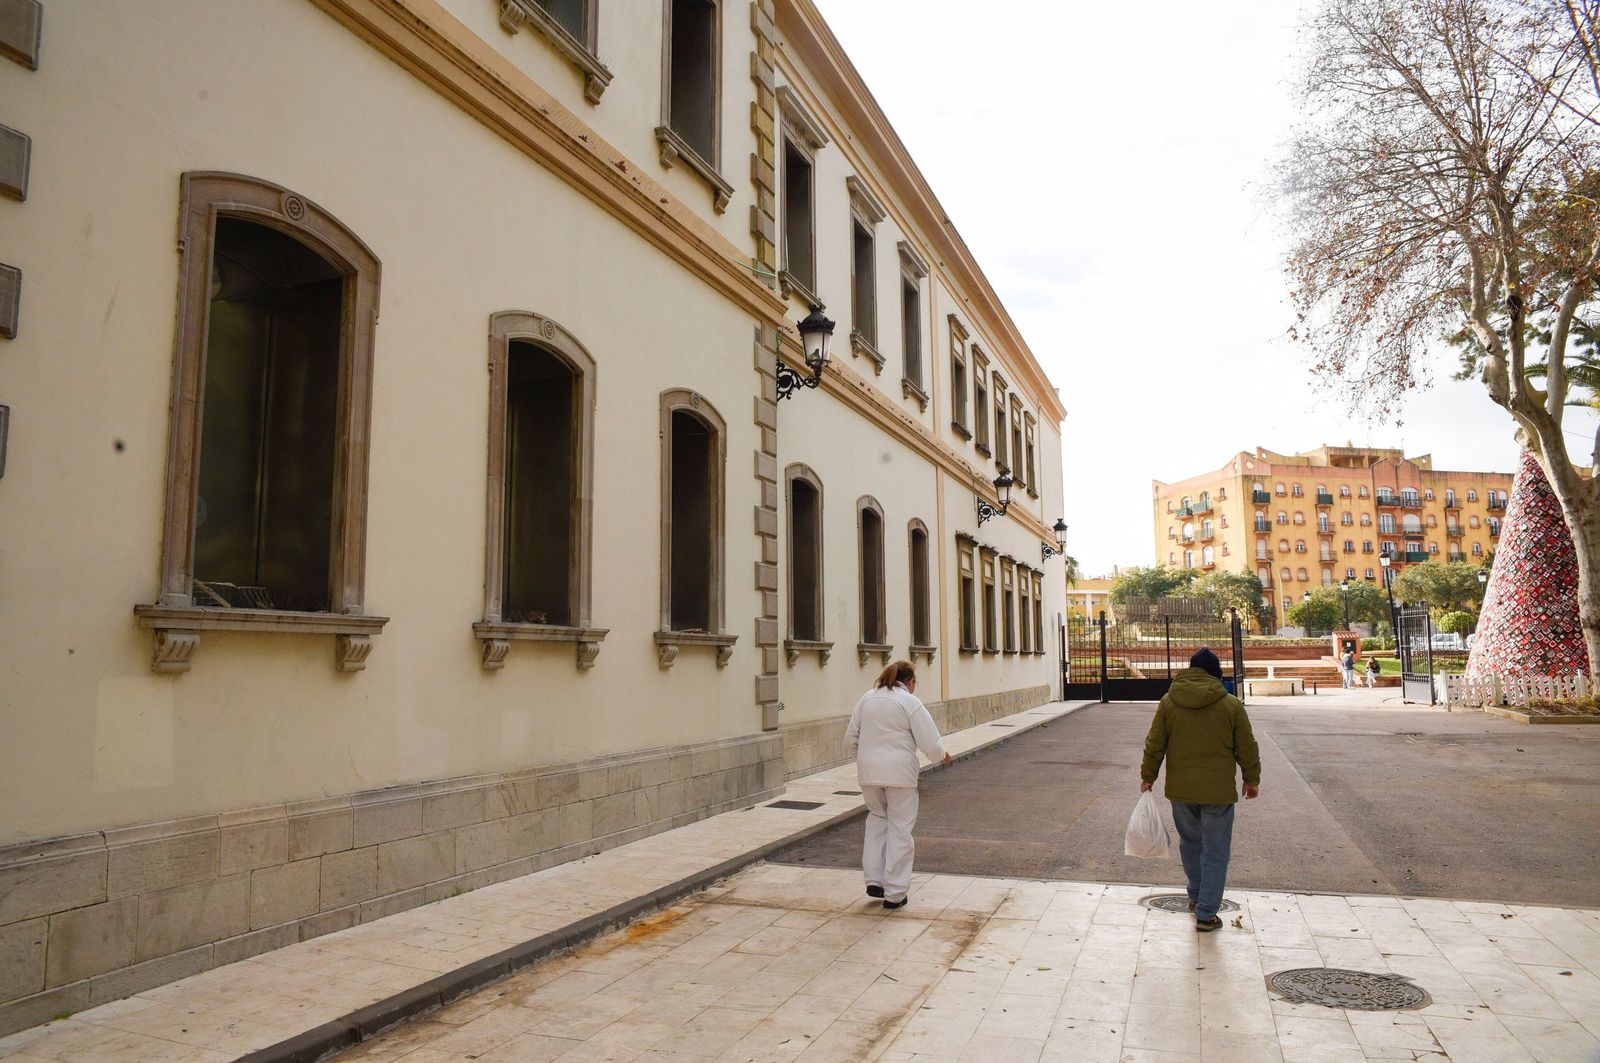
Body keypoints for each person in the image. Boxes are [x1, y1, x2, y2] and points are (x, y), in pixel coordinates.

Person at [1140, 647, 1261, 932]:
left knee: (1191, 845)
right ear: (1215, 673)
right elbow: (1247, 746)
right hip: (1217, 793)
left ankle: (1196, 898)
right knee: (1215, 850)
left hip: (1181, 791)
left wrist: (1148, 776)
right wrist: (1251, 778)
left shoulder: (1169, 701)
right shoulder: (1230, 704)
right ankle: (1206, 912)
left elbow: (1154, 743)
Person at [844, 660, 951, 909]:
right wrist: (941, 756)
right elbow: (930, 742)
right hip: (899, 775)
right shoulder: (910, 702)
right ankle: (895, 893)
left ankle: (874, 881)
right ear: (910, 682)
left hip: (869, 773)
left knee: (877, 821)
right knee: (900, 830)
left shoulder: (867, 698)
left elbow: (851, 738)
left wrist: (865, 758)